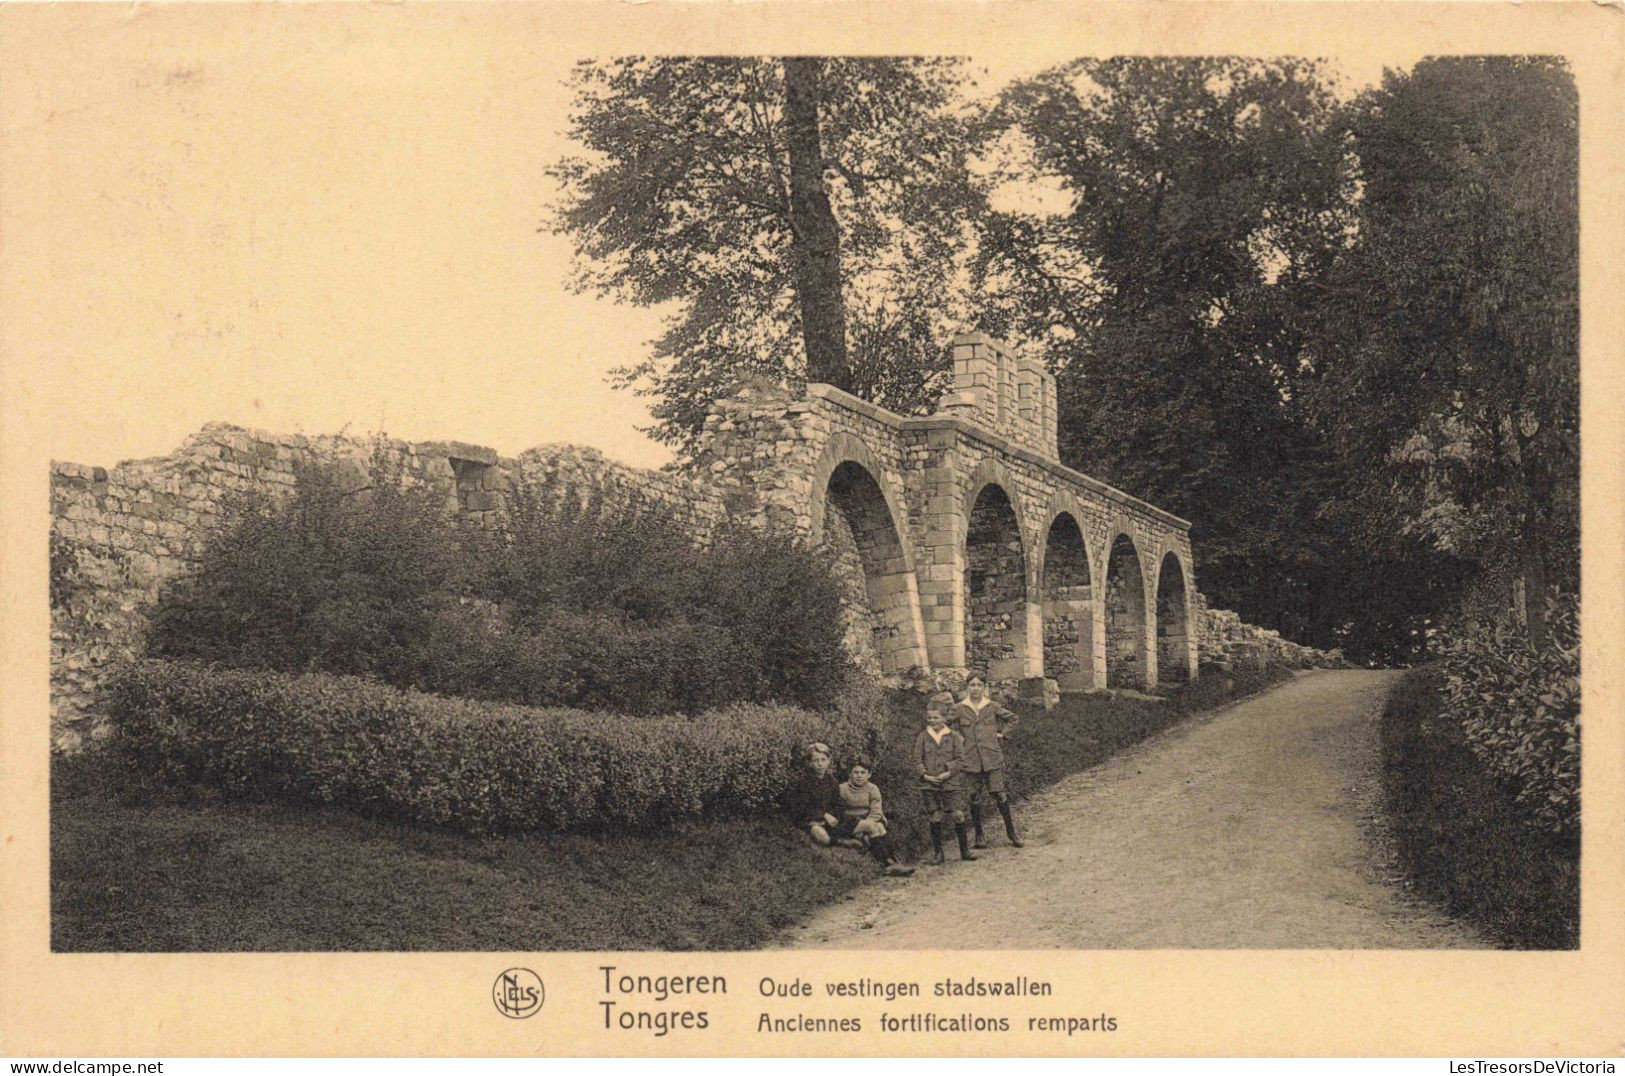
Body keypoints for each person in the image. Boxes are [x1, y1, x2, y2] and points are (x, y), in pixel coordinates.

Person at [951, 673, 1023, 849]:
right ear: (967, 687)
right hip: (970, 759)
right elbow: (944, 725)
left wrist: (1002, 734)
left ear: (984, 688)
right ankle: (979, 835)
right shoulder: (959, 708)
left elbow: (1013, 718)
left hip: (991, 758)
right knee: (974, 797)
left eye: (978, 685)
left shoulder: (992, 706)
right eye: (972, 685)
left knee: (999, 794)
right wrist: (957, 739)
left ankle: (1011, 833)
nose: (975, 689)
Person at [916, 691, 976, 865]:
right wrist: (925, 775)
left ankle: (964, 851)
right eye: (930, 718)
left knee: (958, 814)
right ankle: (938, 853)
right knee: (934, 816)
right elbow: (917, 759)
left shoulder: (954, 737)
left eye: (936, 717)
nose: (933, 721)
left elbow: (960, 759)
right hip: (929, 784)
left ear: (943, 718)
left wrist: (947, 773)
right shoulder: (922, 737)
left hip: (950, 782)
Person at [834, 759, 914, 876]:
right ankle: (890, 864)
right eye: (856, 772)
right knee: (876, 828)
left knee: (879, 826)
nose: (859, 776)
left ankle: (892, 863)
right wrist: (864, 827)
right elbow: (839, 811)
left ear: (869, 774)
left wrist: (867, 827)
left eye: (863, 772)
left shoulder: (872, 789)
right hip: (851, 823)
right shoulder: (842, 789)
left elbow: (876, 811)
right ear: (850, 774)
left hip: (870, 820)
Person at [785, 741, 841, 846]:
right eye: (816, 760)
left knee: (849, 827)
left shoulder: (833, 782)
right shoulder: (803, 782)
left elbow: (837, 804)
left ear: (828, 761)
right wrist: (823, 815)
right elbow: (802, 808)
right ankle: (841, 843)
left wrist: (833, 816)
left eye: (823, 760)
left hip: (827, 821)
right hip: (809, 821)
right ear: (810, 763)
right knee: (821, 835)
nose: (820, 764)